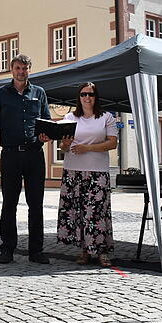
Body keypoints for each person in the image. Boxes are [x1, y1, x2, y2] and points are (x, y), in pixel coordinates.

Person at [0, 54, 51, 265]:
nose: (21, 72)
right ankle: (7, 248)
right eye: (17, 68)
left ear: (29, 70)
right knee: (9, 203)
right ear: (11, 69)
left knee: (36, 204)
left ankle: (36, 250)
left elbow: (47, 121)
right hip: (11, 155)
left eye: (24, 68)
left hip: (35, 154)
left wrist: (46, 134)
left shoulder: (39, 93)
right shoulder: (1, 94)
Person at [56, 82, 118, 267]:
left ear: (96, 96)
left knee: (97, 213)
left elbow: (112, 143)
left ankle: (101, 252)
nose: (87, 98)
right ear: (79, 97)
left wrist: (87, 148)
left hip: (97, 171)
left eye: (91, 94)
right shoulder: (69, 117)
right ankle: (84, 250)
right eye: (83, 94)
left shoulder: (106, 117)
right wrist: (66, 144)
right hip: (73, 171)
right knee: (78, 212)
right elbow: (62, 146)